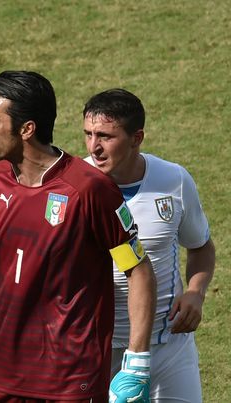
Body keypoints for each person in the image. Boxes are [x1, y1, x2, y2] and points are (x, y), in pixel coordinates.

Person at [0, 71, 157, 403]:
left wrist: (137, 361)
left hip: (69, 377)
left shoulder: (89, 190)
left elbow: (137, 269)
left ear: (26, 129)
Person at [83, 89, 216, 402]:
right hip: (98, 350)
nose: (94, 148)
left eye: (105, 136)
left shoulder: (173, 179)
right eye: (88, 135)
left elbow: (201, 246)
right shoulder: (76, 186)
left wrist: (196, 291)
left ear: (136, 137)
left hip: (168, 347)